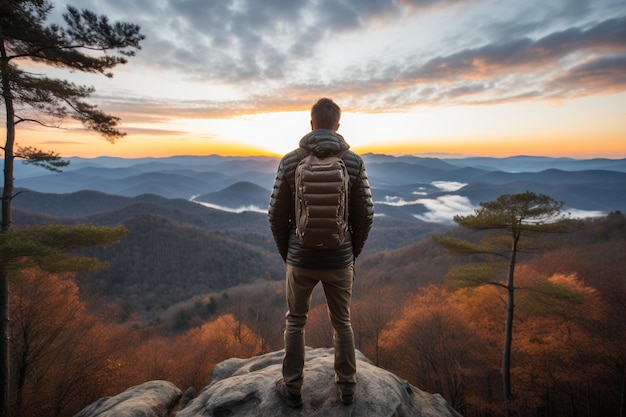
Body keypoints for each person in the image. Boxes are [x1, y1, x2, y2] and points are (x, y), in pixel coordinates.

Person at [268, 98, 374, 407]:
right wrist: (351, 253)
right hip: (339, 259)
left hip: (299, 259)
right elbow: (365, 214)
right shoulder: (353, 162)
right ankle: (347, 387)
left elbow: (275, 214)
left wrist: (288, 253)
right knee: (342, 322)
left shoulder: (289, 161)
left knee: (295, 322)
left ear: (311, 124)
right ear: (338, 126)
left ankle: (292, 388)